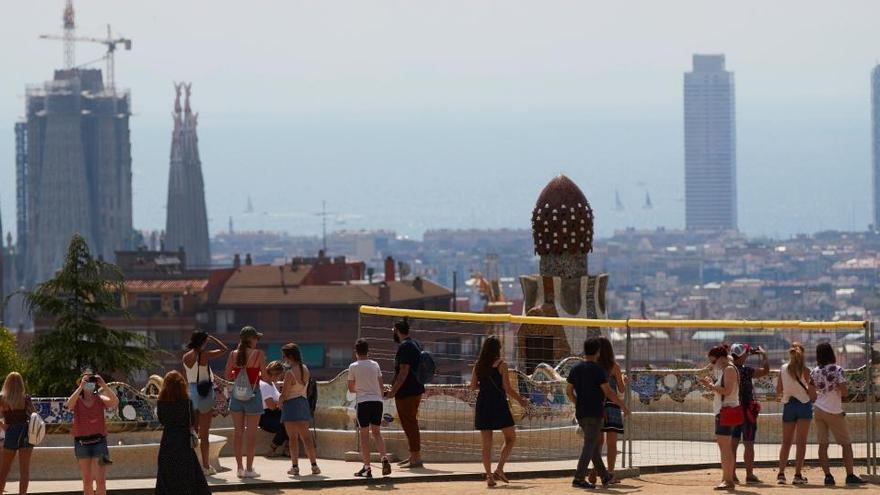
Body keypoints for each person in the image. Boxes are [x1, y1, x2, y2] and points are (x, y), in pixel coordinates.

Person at [566, 337, 630, 489]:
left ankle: (604, 476)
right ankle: (580, 477)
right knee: (595, 445)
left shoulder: (576, 368)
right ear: (598, 351)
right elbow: (610, 392)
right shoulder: (601, 369)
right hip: (599, 410)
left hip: (583, 412)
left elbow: (568, 391)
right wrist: (623, 406)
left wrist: (577, 403)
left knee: (594, 445)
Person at [470, 335, 528, 487]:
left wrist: (485, 387)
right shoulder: (502, 364)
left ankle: (489, 477)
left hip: (483, 404)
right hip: (498, 404)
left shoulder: (478, 365)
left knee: (486, 445)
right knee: (510, 437)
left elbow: (472, 387)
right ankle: (500, 468)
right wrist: (521, 400)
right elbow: (507, 388)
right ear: (498, 349)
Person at [810, 343, 865, 486]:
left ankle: (828, 477)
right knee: (846, 444)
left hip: (818, 409)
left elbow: (811, 393)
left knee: (823, 445)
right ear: (831, 353)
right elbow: (845, 392)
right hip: (834, 410)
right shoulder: (837, 369)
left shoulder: (814, 371)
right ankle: (850, 475)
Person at [155, 370, 211, 495]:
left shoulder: (161, 403)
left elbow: (162, 420)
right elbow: (191, 421)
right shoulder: (187, 403)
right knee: (187, 475)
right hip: (184, 442)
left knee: (167, 475)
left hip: (168, 441)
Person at [182, 330, 228, 475]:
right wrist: (213, 338)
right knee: (205, 434)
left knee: (193, 431)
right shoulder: (204, 355)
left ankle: (191, 465)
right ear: (203, 342)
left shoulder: (185, 356)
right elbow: (224, 349)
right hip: (205, 391)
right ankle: (206, 466)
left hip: (192, 391)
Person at [66, 371, 119, 495]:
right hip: (81, 444)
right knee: (87, 481)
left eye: (91, 382)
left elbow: (115, 402)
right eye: (86, 381)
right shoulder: (77, 401)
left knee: (101, 481)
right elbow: (69, 405)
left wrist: (104, 385)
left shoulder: (100, 399)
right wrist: (80, 387)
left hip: (100, 443)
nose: (89, 384)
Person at [224, 326, 267, 479]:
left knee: (238, 434)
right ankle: (249, 469)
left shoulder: (233, 354)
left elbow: (228, 376)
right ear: (251, 339)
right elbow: (266, 378)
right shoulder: (258, 354)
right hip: (253, 395)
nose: (257, 341)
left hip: (237, 395)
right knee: (251, 435)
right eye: (256, 338)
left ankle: (240, 469)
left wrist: (239, 372)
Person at [348, 338, 392, 479]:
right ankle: (384, 458)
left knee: (365, 437)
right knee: (377, 433)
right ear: (368, 351)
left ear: (356, 352)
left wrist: (361, 388)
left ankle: (367, 468)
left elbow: (351, 388)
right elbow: (381, 385)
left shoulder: (353, 366)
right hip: (377, 402)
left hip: (363, 402)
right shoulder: (375, 365)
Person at [385, 317, 425, 469]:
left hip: (407, 392)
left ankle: (416, 458)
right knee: (410, 424)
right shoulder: (414, 343)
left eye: (393, 331)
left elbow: (403, 371)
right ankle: (413, 456)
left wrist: (393, 391)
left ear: (397, 330)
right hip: (415, 389)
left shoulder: (405, 346)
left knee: (410, 424)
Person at [700, 345, 740, 490]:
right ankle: (727, 478)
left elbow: (727, 391)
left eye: (713, 361)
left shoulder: (729, 369)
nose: (712, 364)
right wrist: (711, 384)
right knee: (725, 447)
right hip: (726, 410)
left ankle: (728, 480)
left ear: (721, 358)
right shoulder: (728, 368)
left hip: (725, 411)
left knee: (725, 448)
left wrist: (711, 385)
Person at [729, 343, 769, 484]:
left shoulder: (730, 369)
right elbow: (765, 371)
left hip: (733, 409)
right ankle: (749, 474)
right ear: (743, 356)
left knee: (733, 444)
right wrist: (764, 355)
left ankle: (731, 474)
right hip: (747, 411)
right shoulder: (746, 371)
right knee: (749, 443)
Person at [776, 342, 814, 485]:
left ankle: (781, 474)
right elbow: (811, 392)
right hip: (804, 405)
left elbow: (779, 389)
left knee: (786, 442)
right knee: (801, 442)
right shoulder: (806, 370)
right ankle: (797, 475)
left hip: (788, 405)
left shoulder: (783, 368)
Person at [280, 343, 320, 476]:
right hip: (303, 404)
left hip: (291, 405)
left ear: (290, 356)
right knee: (306, 438)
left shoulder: (289, 373)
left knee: (293, 439)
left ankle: (295, 467)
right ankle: (314, 465)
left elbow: (285, 394)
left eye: (284, 356)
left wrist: (278, 402)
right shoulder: (305, 369)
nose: (284, 359)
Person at [591, 336, 626, 485]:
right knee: (612, 443)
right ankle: (610, 474)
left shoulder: (592, 366)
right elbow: (621, 389)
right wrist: (624, 379)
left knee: (598, 442)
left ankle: (594, 471)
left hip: (597, 405)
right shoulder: (614, 366)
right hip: (612, 406)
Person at [0, 372, 35, 495]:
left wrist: (3, 425)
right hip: (25, 432)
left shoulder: (2, 398)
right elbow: (34, 415)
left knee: (4, 470)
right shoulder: (25, 398)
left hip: (11, 432)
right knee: (24, 471)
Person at [258, 361, 288, 457]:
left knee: (292, 422)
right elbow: (271, 406)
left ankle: (288, 448)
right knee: (286, 426)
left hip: (274, 414)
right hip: (266, 417)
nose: (279, 378)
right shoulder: (264, 385)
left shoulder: (271, 384)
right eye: (279, 376)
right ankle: (272, 449)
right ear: (275, 374)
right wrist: (280, 403)